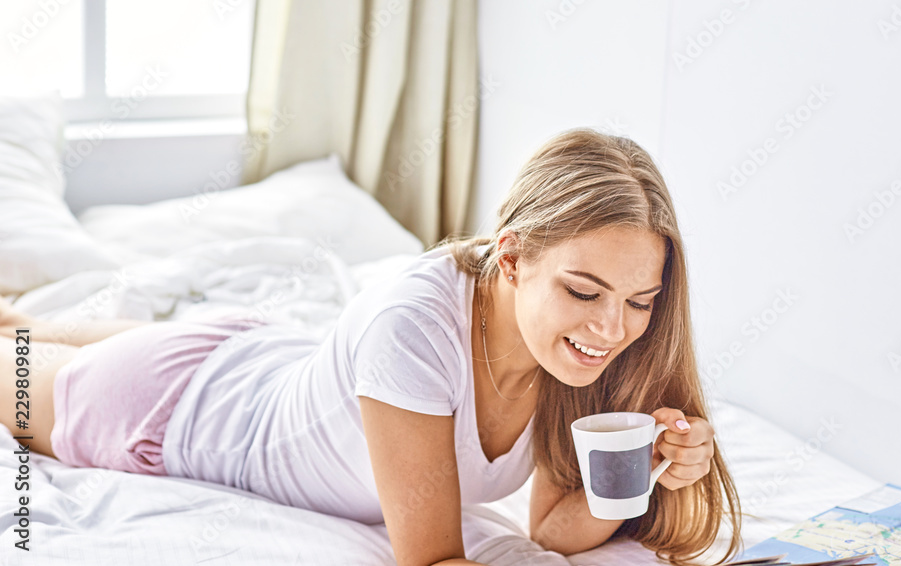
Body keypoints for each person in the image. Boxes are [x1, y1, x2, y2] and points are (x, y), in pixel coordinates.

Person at [0, 127, 741, 566]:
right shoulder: (414, 329)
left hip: (253, 352)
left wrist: (640, 471)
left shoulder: (574, 351)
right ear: (512, 258)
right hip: (164, 410)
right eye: (585, 293)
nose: (613, 329)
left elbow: (550, 528)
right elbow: (433, 559)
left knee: (23, 321)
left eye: (641, 301)